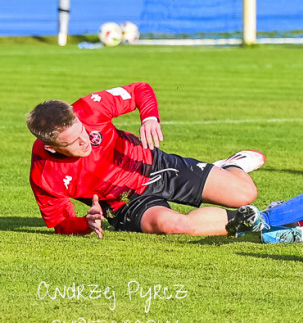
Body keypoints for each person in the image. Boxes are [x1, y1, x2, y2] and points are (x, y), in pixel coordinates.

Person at [27, 82, 265, 237]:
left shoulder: (88, 109)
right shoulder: (44, 174)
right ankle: (261, 222)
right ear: (51, 147)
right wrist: (85, 223)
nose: (85, 140)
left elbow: (139, 89)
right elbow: (61, 222)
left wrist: (149, 118)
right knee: (177, 226)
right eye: (73, 142)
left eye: (82, 130)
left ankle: (233, 165)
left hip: (151, 164)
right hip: (123, 203)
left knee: (244, 195)